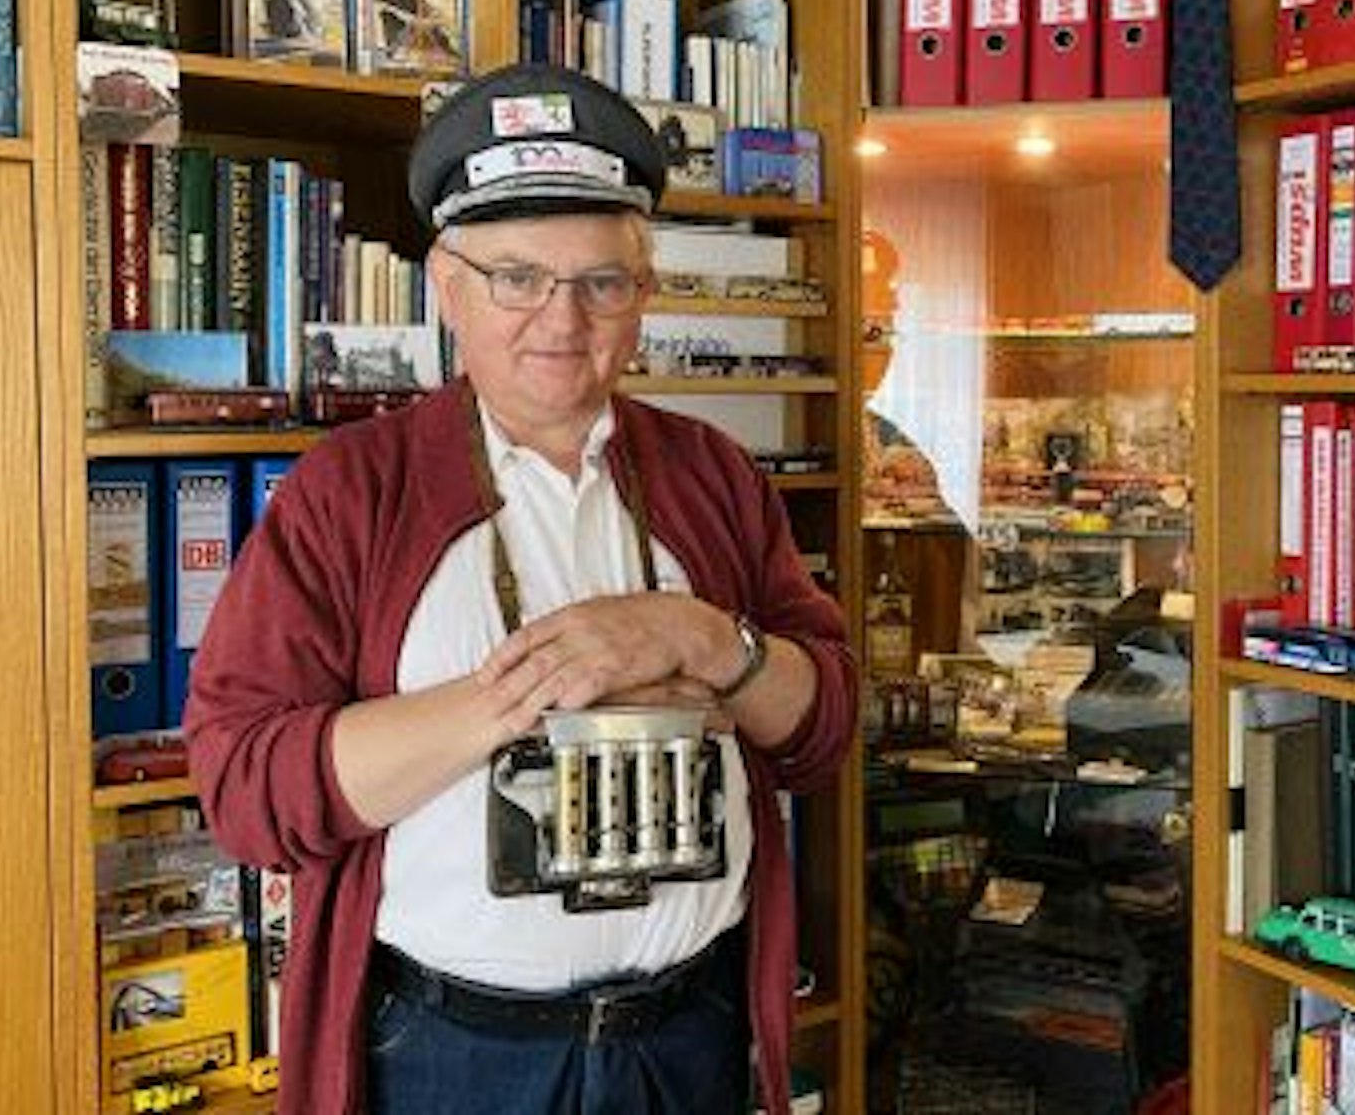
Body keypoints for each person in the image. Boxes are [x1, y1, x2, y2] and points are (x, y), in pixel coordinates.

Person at [185, 62, 855, 1115]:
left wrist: (701, 637)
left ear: (644, 294)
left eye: (601, 282)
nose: (562, 318)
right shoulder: (349, 491)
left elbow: (824, 728)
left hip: (692, 1034)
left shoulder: (715, 474)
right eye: (517, 277)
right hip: (450, 1054)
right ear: (447, 287)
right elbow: (245, 790)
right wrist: (525, 696)